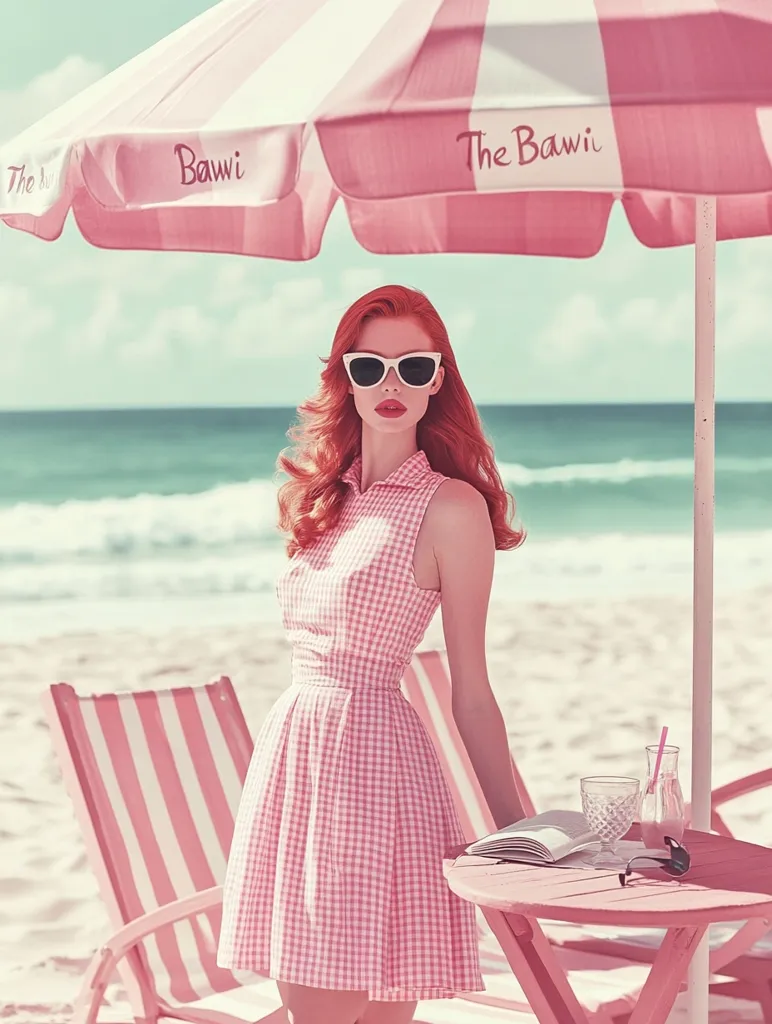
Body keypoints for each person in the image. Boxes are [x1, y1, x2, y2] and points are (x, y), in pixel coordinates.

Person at [217, 284, 526, 1024]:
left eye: (414, 368)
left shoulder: (452, 508)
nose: (392, 386)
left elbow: (471, 691)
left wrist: (522, 834)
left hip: (375, 769)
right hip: (296, 762)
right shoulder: (325, 496)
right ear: (345, 377)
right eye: (371, 367)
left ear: (439, 380)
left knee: (338, 1009)